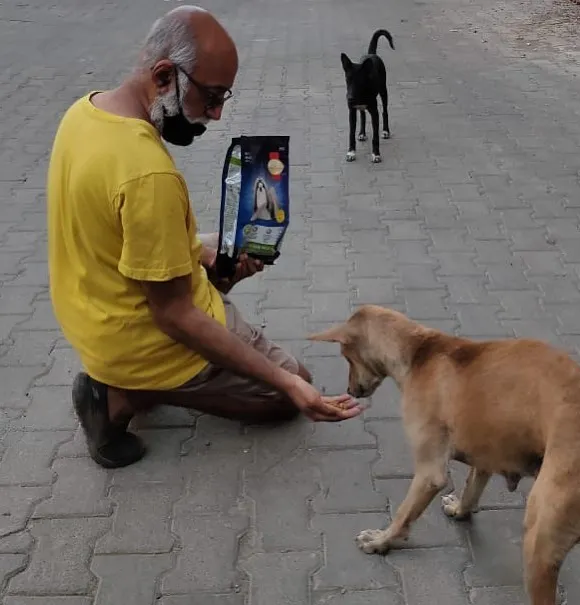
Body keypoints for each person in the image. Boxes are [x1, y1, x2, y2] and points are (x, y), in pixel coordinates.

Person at [47, 5, 362, 469]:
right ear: (163, 75)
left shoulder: (85, 112)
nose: (214, 115)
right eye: (210, 97)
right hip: (139, 336)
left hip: (90, 315)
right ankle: (121, 394)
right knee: (290, 388)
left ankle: (127, 379)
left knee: (220, 267)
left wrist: (200, 246)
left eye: (223, 99)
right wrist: (287, 384)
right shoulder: (146, 173)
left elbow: (112, 231)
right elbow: (175, 315)